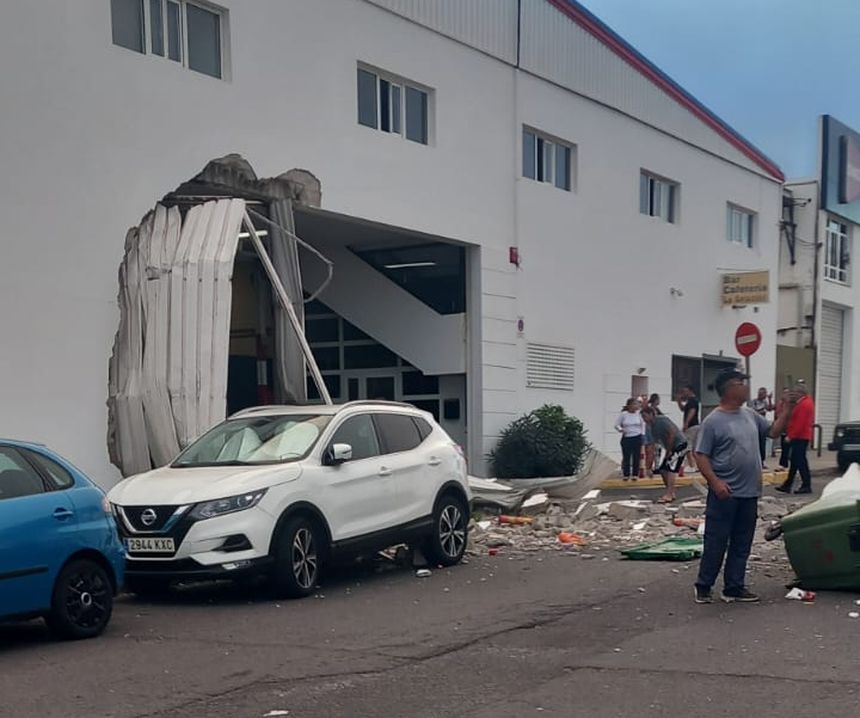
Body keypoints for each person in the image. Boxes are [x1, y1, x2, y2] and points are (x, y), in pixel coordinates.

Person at [693, 368, 795, 604]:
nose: (746, 387)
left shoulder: (749, 415)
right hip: (725, 494)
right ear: (729, 388)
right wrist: (715, 482)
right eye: (741, 382)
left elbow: (773, 431)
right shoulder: (713, 421)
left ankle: (734, 586)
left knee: (742, 543)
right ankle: (704, 585)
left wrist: (788, 409)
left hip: (749, 492)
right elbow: (701, 455)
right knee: (716, 542)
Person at [775, 382, 815, 495]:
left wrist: (790, 436)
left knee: (800, 461)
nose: (795, 395)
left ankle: (806, 485)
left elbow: (800, 423)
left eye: (796, 392)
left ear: (801, 393)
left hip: (800, 436)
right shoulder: (804, 402)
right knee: (795, 460)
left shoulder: (804, 404)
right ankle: (788, 484)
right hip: (800, 435)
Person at [641, 406, 686, 504]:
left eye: (645, 416)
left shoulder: (661, 420)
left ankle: (669, 494)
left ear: (651, 414)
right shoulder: (650, 428)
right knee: (662, 470)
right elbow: (651, 448)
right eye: (642, 417)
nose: (644, 419)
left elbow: (672, 433)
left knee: (670, 468)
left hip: (680, 444)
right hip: (670, 447)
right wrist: (648, 468)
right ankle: (671, 491)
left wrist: (669, 451)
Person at [615, 398, 645, 480]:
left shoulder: (639, 414)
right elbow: (617, 425)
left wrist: (642, 435)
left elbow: (643, 425)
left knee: (636, 456)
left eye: (637, 404)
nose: (636, 406)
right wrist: (621, 430)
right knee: (627, 456)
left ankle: (635, 474)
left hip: (637, 437)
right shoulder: (624, 414)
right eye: (634, 404)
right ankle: (626, 474)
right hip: (627, 437)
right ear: (629, 405)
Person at [677, 386, 700, 470]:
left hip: (692, 426)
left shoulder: (693, 400)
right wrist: (678, 401)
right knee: (692, 446)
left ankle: (692, 465)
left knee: (687, 446)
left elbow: (692, 412)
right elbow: (683, 409)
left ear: (690, 391)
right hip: (693, 426)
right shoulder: (689, 401)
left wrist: (686, 423)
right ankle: (694, 465)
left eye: (685, 391)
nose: (684, 393)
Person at [750, 387, 774, 464]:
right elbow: (753, 412)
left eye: (765, 394)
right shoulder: (754, 402)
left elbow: (770, 409)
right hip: (754, 425)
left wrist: (770, 399)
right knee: (755, 443)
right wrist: (762, 410)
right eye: (762, 394)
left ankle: (762, 461)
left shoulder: (764, 402)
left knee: (762, 443)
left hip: (762, 425)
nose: (763, 395)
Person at [643, 394, 663, 475]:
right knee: (654, 450)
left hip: (655, 430)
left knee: (656, 450)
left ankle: (655, 466)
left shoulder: (655, 409)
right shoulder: (652, 409)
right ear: (656, 400)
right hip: (653, 431)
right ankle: (654, 467)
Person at [773, 388, 791, 470]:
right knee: (784, 446)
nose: (785, 395)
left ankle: (785, 464)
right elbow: (777, 414)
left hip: (790, 428)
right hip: (783, 428)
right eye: (784, 393)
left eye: (787, 393)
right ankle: (784, 464)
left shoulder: (791, 404)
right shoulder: (780, 403)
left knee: (788, 447)